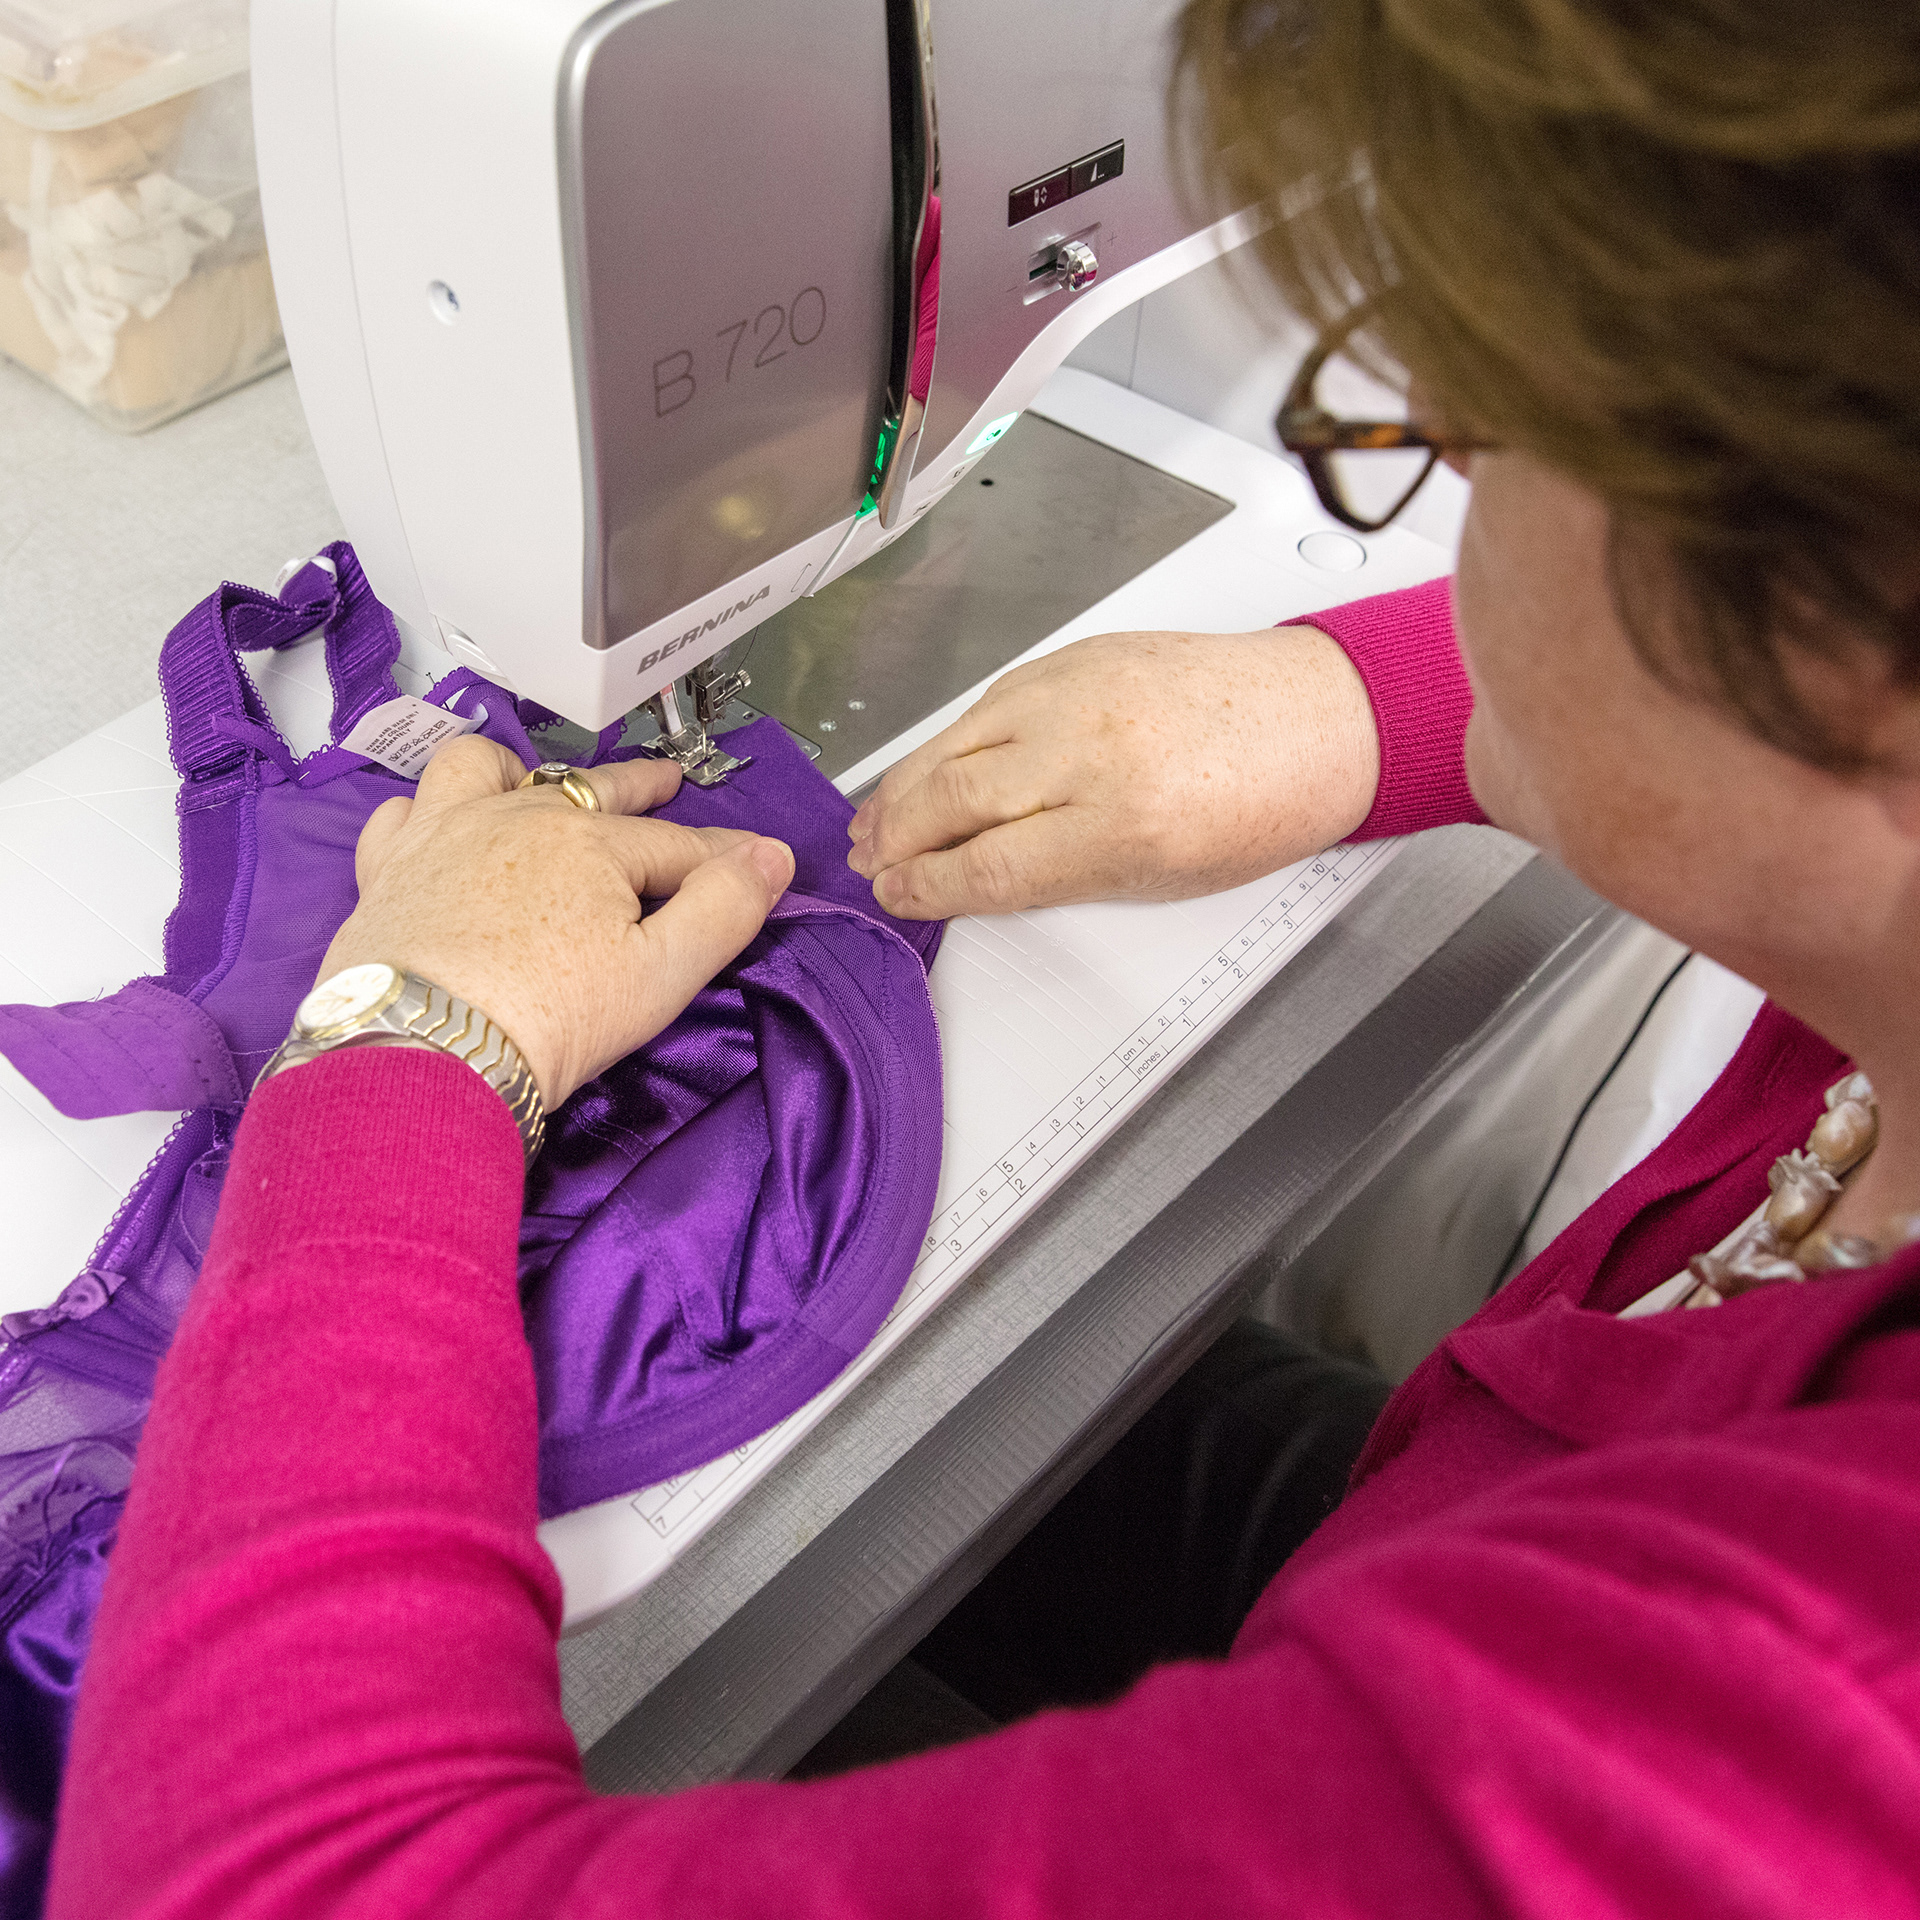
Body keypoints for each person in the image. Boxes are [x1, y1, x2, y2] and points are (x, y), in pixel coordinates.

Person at [47, 0, 1920, 1912]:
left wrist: (414, 1038)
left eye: (1495, 435)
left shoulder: (1783, 1738)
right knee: (1066, 1425)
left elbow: (265, 1884)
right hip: (1474, 1487)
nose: (1448, 470)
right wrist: (1395, 705)